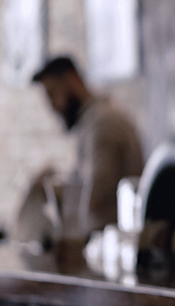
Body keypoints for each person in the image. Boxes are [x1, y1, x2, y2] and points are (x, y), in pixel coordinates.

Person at [9, 56, 145, 247]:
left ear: (71, 80)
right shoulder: (93, 121)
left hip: (108, 246)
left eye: (52, 93)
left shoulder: (103, 123)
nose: (53, 106)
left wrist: (56, 194)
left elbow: (96, 198)